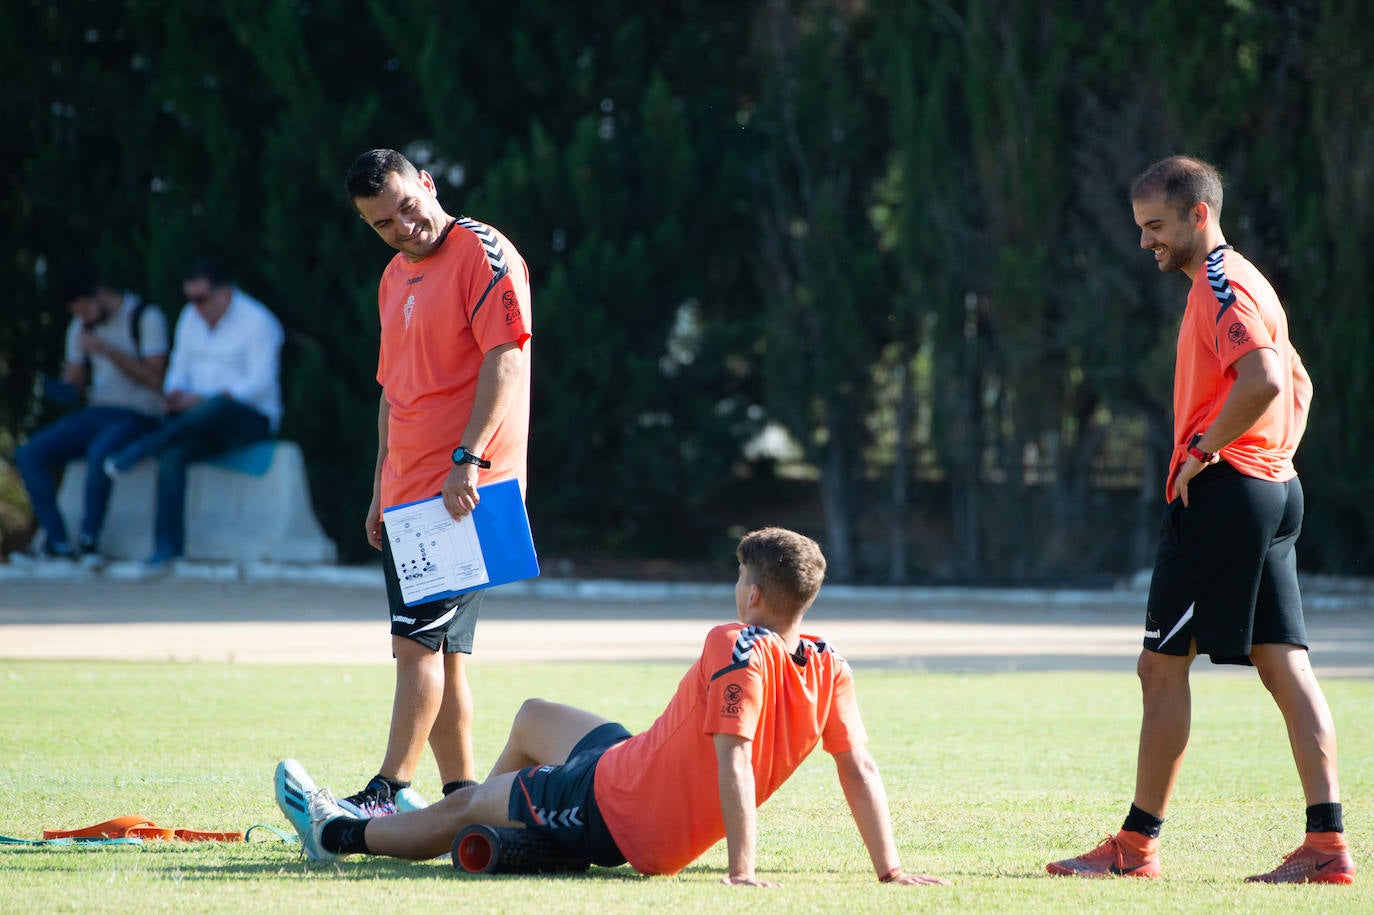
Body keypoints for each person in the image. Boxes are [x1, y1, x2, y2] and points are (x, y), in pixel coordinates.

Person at [275, 528, 950, 887]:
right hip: (628, 764)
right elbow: (857, 764)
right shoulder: (830, 661)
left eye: (738, 576)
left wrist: (742, 870)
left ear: (753, 594)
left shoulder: (736, 641)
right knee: (535, 713)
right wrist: (887, 868)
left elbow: (735, 757)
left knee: (465, 803)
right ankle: (522, 821)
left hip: (617, 809)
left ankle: (336, 834)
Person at [1046, 156, 1353, 885]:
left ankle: (1135, 845)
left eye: (1155, 226)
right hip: (1271, 487)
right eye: (1140, 227)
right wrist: (1274, 455)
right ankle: (1327, 844)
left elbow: (1269, 379)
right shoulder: (1249, 280)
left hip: (1226, 492)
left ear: (1198, 215)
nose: (1146, 241)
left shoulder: (1220, 286)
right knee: (1285, 665)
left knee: (1160, 666)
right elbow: (1299, 379)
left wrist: (1209, 452)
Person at [338, 149, 532, 818]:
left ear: (427, 182)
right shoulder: (395, 277)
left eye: (407, 208)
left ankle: (385, 791)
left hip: (463, 492)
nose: (403, 227)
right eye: (383, 223)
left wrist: (468, 458)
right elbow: (394, 392)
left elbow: (507, 358)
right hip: (409, 492)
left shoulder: (483, 251)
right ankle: (460, 796)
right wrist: (378, 488)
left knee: (414, 645)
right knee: (444, 654)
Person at [103, 258, 284, 568]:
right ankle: (167, 548)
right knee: (173, 455)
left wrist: (200, 400)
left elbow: (258, 385)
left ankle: (142, 447)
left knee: (216, 405)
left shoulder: (258, 322)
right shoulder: (190, 318)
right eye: (190, 299)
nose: (195, 306)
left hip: (249, 419)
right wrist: (175, 394)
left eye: (200, 299)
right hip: (198, 422)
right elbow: (178, 370)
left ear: (224, 293)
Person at [14, 272, 168, 566]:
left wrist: (108, 351)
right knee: (29, 454)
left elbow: (155, 379)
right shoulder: (80, 326)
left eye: (84, 309)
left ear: (100, 296)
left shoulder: (145, 317)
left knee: (101, 451)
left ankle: (89, 541)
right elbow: (76, 381)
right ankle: (57, 543)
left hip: (140, 413)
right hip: (98, 411)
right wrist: (62, 385)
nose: (81, 317)